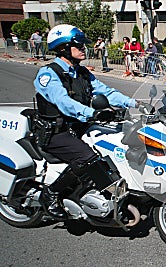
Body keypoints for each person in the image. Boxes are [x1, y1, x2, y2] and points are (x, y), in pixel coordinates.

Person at [33, 24, 143, 218]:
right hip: (55, 132)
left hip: (78, 127)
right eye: (79, 45)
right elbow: (64, 102)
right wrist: (93, 113)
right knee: (87, 158)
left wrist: (136, 103)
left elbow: (106, 92)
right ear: (63, 48)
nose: (84, 48)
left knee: (118, 142)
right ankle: (50, 194)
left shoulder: (82, 73)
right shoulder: (49, 74)